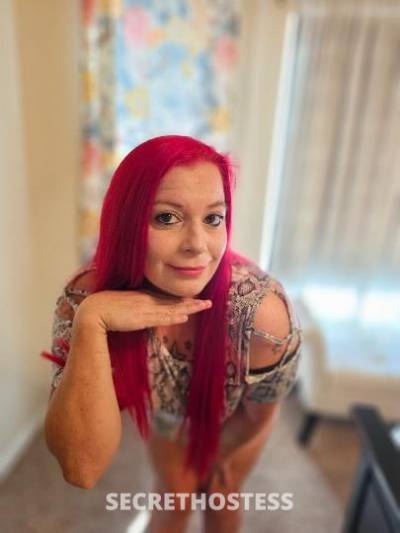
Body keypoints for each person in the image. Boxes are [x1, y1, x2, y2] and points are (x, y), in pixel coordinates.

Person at [42, 135, 302, 533]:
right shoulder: (85, 298)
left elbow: (259, 412)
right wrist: (92, 322)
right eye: (166, 218)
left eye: (213, 218)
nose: (197, 246)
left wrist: (215, 454)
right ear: (126, 223)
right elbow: (82, 468)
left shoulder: (261, 316)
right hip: (170, 413)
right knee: (174, 498)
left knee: (221, 495)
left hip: (237, 416)